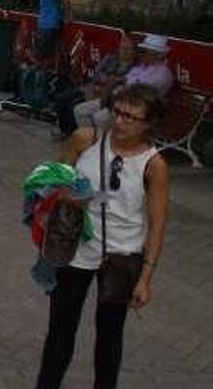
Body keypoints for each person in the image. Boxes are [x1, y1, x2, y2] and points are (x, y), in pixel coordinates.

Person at [36, 84, 171, 389]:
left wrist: (145, 277)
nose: (120, 121)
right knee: (60, 331)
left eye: (131, 117)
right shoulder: (86, 139)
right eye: (117, 112)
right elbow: (51, 180)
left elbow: (157, 224)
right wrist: (63, 195)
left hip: (123, 255)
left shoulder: (155, 165)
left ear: (148, 124)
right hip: (75, 248)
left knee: (109, 336)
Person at [75, 34, 173, 131]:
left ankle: (102, 144)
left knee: (99, 118)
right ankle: (90, 141)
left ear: (159, 55)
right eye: (144, 51)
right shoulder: (141, 67)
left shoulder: (163, 73)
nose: (143, 54)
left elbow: (138, 91)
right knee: (80, 110)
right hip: (118, 100)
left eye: (147, 51)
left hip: (137, 109)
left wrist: (120, 85)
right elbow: (124, 80)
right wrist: (118, 85)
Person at [53, 37, 135, 137]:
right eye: (122, 48)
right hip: (92, 87)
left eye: (128, 49)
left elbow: (120, 82)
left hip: (105, 93)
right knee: (62, 98)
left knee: (73, 105)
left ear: (133, 51)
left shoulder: (134, 67)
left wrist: (108, 79)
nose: (124, 51)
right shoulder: (111, 58)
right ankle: (64, 130)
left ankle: (73, 133)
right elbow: (97, 72)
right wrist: (109, 79)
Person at [36, 0, 71, 67]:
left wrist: (68, 16)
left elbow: (65, 0)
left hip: (49, 26)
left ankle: (41, 78)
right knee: (49, 55)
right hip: (45, 25)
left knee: (41, 56)